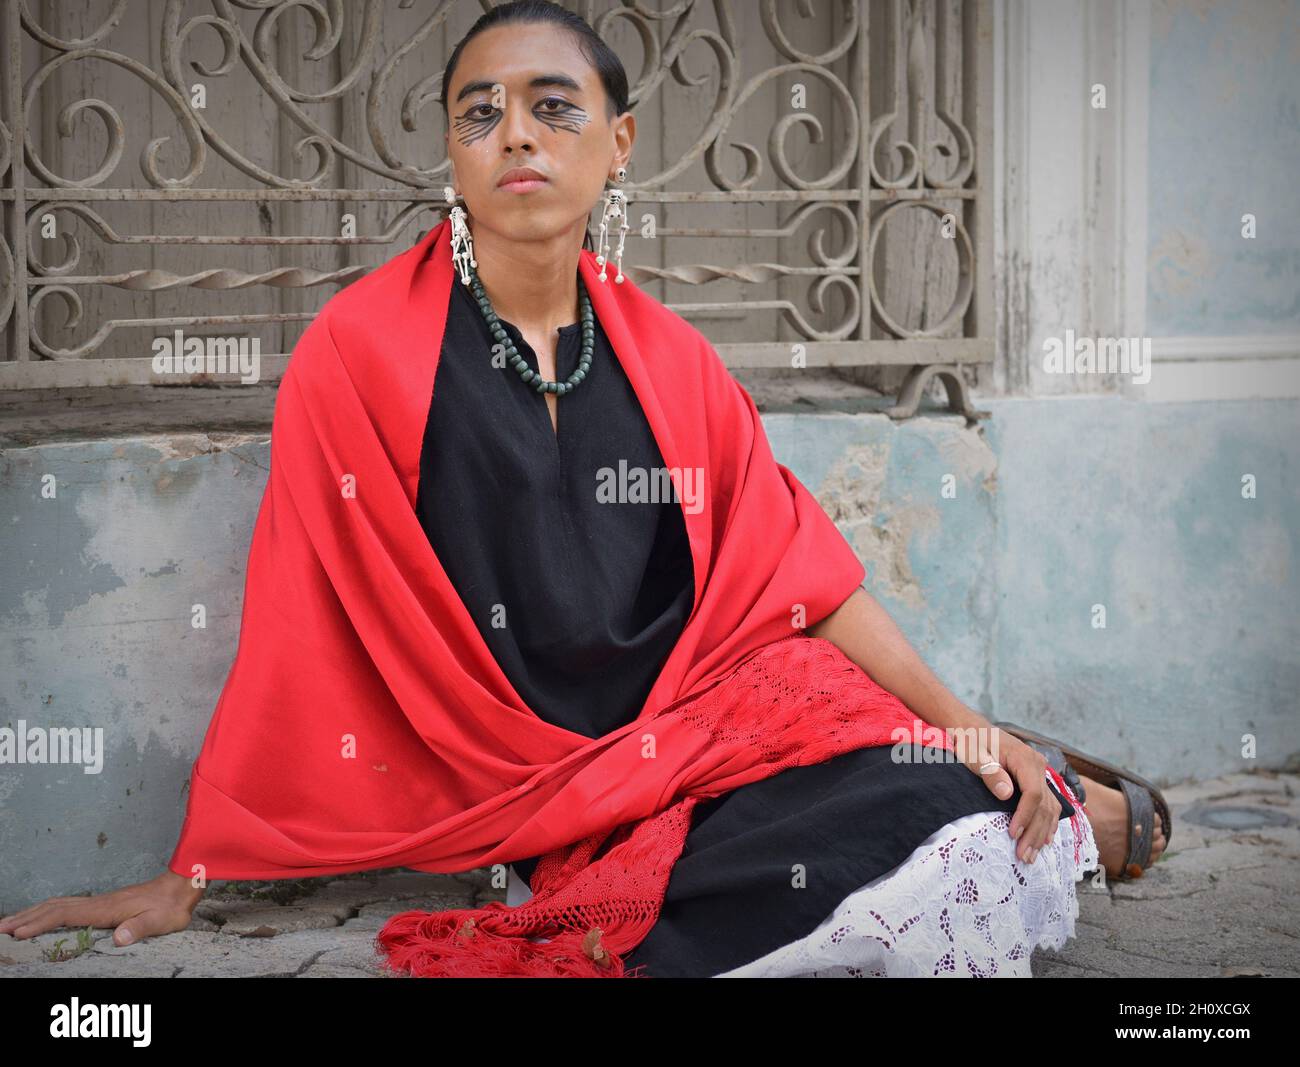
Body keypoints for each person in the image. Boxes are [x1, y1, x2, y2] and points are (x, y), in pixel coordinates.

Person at [0, 0, 1164, 977]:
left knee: (930, 785)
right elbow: (302, 633)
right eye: (480, 113)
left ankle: (1056, 791)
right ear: (451, 153)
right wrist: (194, 869)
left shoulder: (672, 360)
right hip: (553, 778)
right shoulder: (358, 354)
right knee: (731, 885)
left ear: (619, 143)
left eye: (553, 106)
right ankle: (1083, 813)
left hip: (720, 707)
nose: (515, 134)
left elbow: (799, 579)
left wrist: (955, 717)